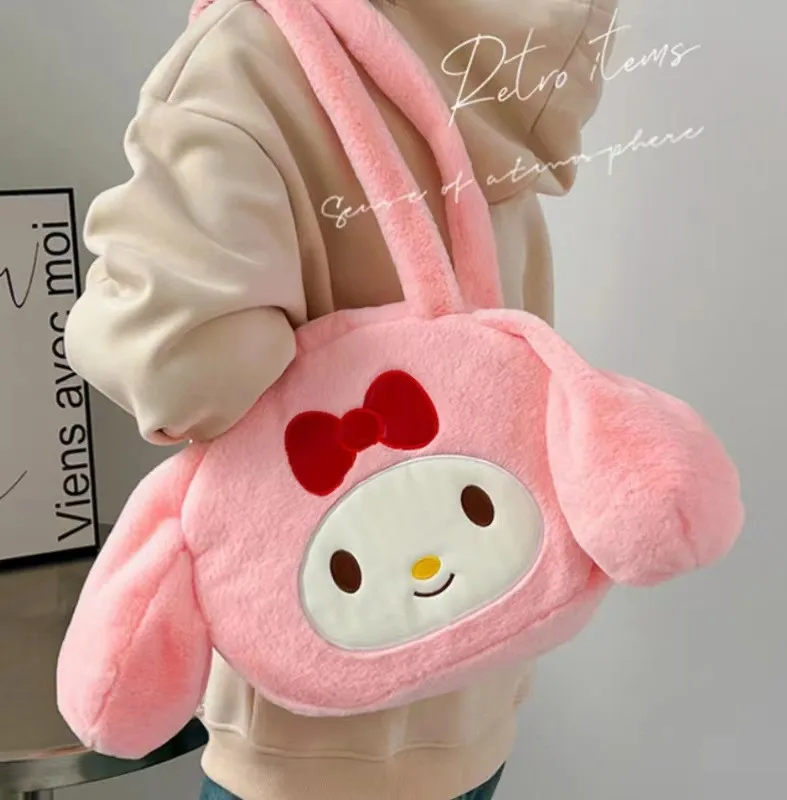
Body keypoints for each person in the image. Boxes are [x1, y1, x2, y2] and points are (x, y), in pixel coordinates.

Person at [64, 0, 618, 797]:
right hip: (479, 667)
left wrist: (92, 319)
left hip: (308, 720)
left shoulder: (246, 59)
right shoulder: (497, 35)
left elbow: (181, 371)